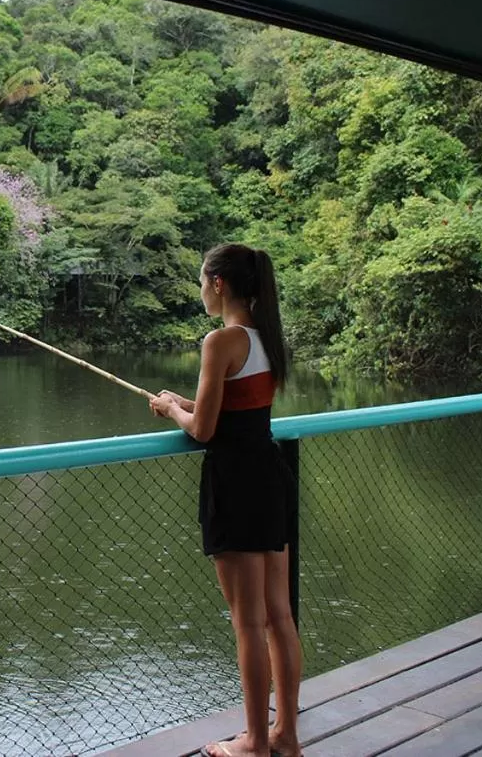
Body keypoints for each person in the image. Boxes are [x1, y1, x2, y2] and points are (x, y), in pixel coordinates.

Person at [148, 244, 301, 757]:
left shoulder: (220, 342)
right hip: (268, 476)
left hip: (234, 484)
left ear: (218, 284)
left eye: (200, 280)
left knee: (247, 622)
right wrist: (183, 402)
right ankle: (285, 736)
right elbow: (238, 409)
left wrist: (172, 410)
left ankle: (255, 743)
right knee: (279, 616)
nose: (199, 290)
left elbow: (205, 430)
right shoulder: (267, 338)